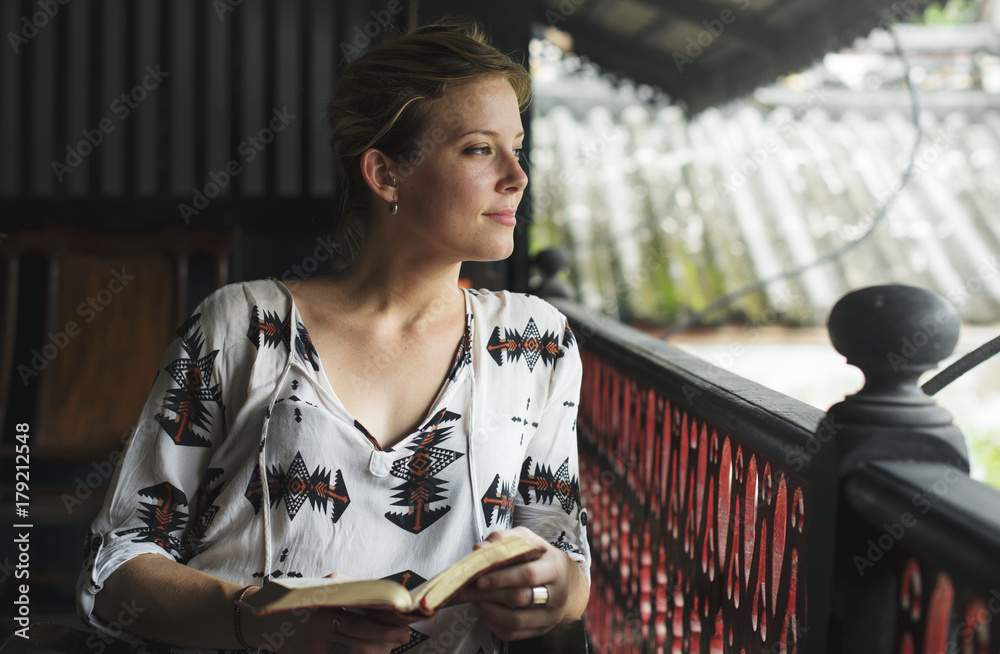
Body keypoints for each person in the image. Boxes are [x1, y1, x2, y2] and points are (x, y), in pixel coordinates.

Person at [77, 18, 590, 654]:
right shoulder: (244, 327)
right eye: (479, 149)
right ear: (385, 174)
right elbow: (114, 570)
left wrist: (547, 590)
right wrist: (254, 619)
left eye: (517, 147)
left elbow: (564, 556)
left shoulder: (534, 341)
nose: (517, 175)